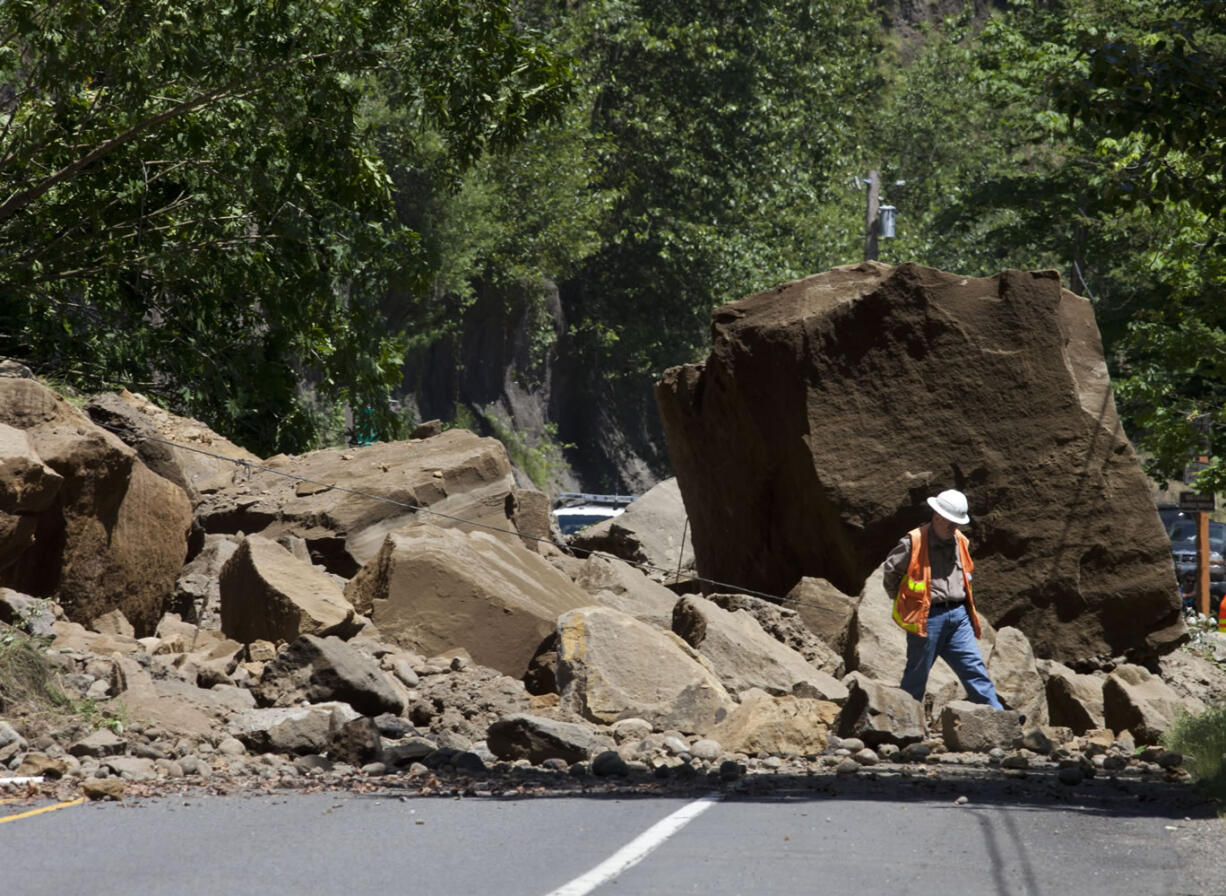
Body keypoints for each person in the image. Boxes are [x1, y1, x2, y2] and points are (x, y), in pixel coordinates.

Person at [881, 488, 1003, 709]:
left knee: (975, 669)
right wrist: (903, 600)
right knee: (916, 676)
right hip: (928, 618)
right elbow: (891, 572)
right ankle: (907, 727)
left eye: (957, 523)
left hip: (959, 616)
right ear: (937, 516)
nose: (953, 527)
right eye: (949, 522)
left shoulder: (961, 541)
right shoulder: (913, 542)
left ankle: (1000, 719)